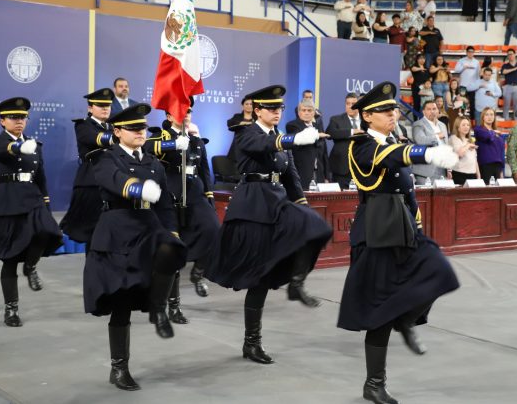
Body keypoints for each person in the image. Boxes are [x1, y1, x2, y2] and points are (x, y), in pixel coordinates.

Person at [338, 81, 460, 404]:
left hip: (403, 226)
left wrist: (417, 222)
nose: (392, 114)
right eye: (384, 111)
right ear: (367, 116)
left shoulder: (394, 141)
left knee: (439, 271)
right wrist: (425, 152)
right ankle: (374, 384)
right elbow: (386, 157)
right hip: (376, 231)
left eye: (393, 110)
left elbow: (407, 191)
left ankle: (405, 320)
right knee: (380, 309)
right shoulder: (361, 145)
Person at [206, 85, 333, 365]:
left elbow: (291, 175)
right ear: (258, 110)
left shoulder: (278, 137)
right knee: (259, 279)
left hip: (276, 201)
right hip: (253, 206)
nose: (276, 112)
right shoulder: (246, 133)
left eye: (280, 108)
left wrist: (302, 204)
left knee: (317, 226)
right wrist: (292, 139)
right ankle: (252, 342)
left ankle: (296, 283)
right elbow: (261, 146)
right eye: (271, 108)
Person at [83, 103, 188, 391]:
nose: (140, 132)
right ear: (117, 132)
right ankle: (119, 368)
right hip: (118, 229)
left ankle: (158, 308)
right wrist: (138, 188)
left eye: (142, 127)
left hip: (148, 225)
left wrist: (172, 231)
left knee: (172, 249)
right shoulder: (105, 158)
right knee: (122, 301)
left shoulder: (154, 163)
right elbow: (114, 180)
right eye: (132, 128)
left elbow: (164, 204)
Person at [0, 97, 62, 327]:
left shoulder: (35, 145)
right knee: (9, 260)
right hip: (6, 202)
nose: (19, 121)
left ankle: (30, 266)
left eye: (22, 117)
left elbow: (41, 178)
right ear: (2, 121)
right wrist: (20, 146)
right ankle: (11, 310)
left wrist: (46, 204)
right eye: (13, 117)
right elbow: (3, 151)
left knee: (46, 231)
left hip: (32, 198)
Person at [146, 101, 219, 306]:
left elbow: (204, 171)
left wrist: (209, 196)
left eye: (188, 111)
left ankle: (198, 272)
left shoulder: (196, 141)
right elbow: (147, 148)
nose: (185, 114)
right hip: (170, 193)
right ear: (169, 117)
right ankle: (174, 304)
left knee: (213, 229)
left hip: (194, 192)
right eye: (180, 111)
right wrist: (173, 144)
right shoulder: (161, 136)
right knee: (173, 247)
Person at [60, 88, 115, 248]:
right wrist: (122, 137)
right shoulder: (83, 125)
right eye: (100, 105)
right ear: (90, 108)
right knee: (92, 230)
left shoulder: (113, 127)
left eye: (108, 105)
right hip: (92, 181)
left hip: (113, 180)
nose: (105, 109)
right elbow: (97, 139)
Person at [286, 99, 331, 189]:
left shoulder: (318, 126)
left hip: (319, 175)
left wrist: (327, 176)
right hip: (301, 174)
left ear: (314, 112)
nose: (306, 113)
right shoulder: (292, 125)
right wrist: (317, 135)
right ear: (299, 112)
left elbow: (324, 154)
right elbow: (301, 137)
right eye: (304, 110)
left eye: (309, 110)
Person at [326, 93, 361, 189]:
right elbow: (330, 133)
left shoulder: (366, 120)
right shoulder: (336, 119)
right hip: (342, 169)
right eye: (348, 103)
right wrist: (352, 131)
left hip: (362, 169)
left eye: (353, 104)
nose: (350, 106)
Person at [412, 101, 449, 184]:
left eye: (434, 109)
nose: (432, 111)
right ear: (423, 112)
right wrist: (437, 136)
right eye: (429, 109)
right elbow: (420, 140)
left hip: (442, 169)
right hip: (425, 171)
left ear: (438, 111)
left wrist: (449, 169)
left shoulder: (442, 125)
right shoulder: (418, 124)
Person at [474, 107, 506, 183]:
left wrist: (501, 170)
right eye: (487, 115)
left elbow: (501, 153)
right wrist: (494, 132)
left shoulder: (499, 134)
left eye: (491, 114)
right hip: (485, 165)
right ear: (483, 117)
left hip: (498, 166)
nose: (489, 117)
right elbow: (488, 137)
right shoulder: (479, 129)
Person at [449, 116, 480, 185]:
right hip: (460, 174)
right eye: (463, 125)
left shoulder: (470, 140)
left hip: (472, 174)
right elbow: (460, 154)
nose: (466, 127)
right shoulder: (453, 138)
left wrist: (478, 176)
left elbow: (474, 160)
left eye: (468, 125)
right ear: (458, 127)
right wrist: (468, 145)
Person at [226, 97, 255, 163]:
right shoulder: (237, 116)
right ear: (243, 106)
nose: (249, 106)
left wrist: (247, 123)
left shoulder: (257, 118)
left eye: (251, 104)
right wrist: (241, 123)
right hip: (238, 147)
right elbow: (229, 123)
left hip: (252, 147)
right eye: (246, 104)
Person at [454, 45, 481, 113]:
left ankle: (472, 119)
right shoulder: (461, 60)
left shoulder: (476, 62)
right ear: (466, 52)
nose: (471, 53)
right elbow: (456, 70)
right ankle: (461, 117)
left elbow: (478, 74)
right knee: (462, 104)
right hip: (463, 86)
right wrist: (464, 67)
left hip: (473, 86)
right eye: (469, 52)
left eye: (472, 52)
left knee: (472, 104)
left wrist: (477, 85)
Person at [501, 48, 517, 120]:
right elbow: (503, 72)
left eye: (511, 54)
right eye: (508, 55)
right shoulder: (505, 65)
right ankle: (506, 121)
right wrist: (514, 69)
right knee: (506, 105)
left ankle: (516, 121)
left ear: (515, 55)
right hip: (508, 86)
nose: (510, 56)